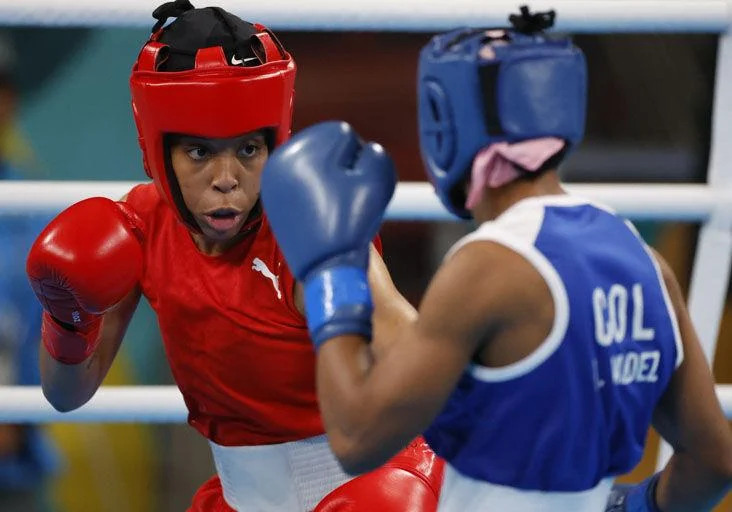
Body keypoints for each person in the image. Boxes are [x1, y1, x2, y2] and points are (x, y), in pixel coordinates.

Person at [260, 7, 732, 511]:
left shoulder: (490, 266)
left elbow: (356, 438)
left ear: (446, 120)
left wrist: (331, 270)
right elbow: (715, 462)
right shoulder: (648, 264)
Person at [24, 1, 443, 511]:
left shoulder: (305, 232)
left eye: (248, 149)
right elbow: (67, 394)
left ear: (275, 143)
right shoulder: (135, 231)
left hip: (369, 484)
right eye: (199, 152)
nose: (227, 177)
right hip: (241, 497)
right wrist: (68, 320)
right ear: (159, 151)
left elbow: (418, 358)